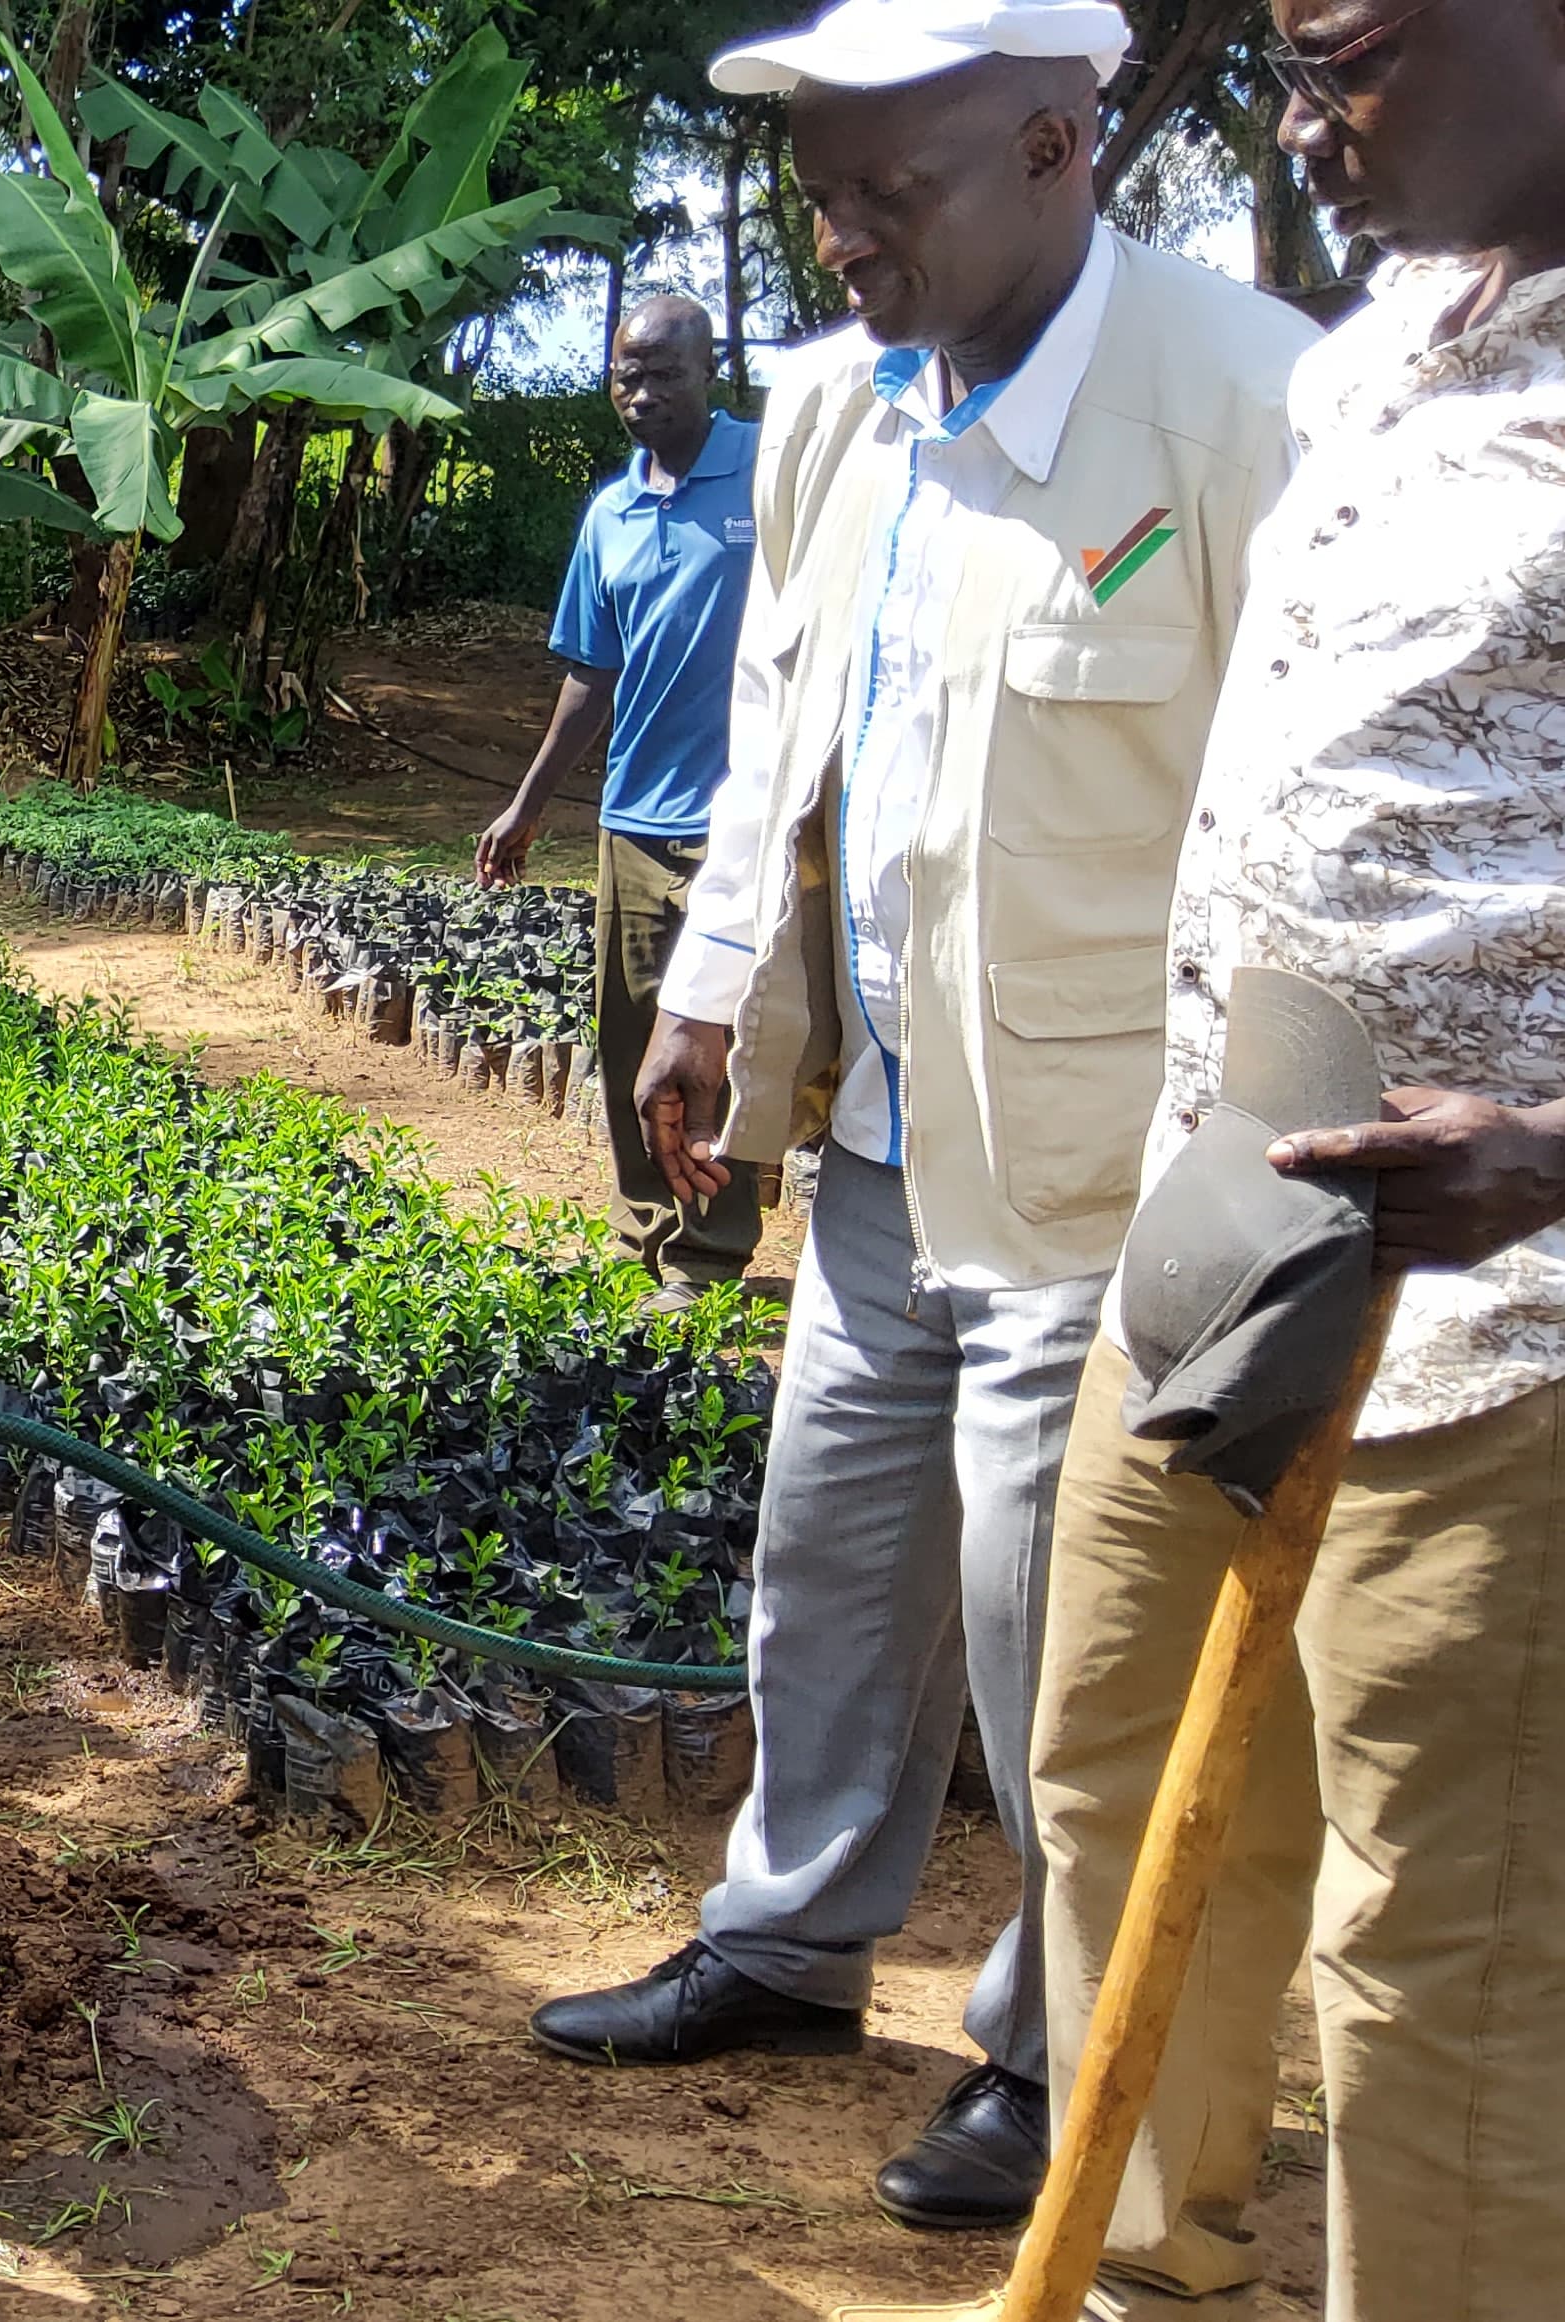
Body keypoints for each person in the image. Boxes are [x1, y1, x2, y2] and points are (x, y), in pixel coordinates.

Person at [526, 0, 1316, 2237]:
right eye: (820, 192)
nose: (841, 237)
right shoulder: (836, 413)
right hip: (880, 1129)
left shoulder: (1241, 405)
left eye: (894, 191)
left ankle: (1066, 2045)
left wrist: (1239, 1185)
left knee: (1050, 1639)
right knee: (828, 1565)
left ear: (1065, 145)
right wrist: (712, 1003)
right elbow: (789, 716)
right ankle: (784, 1939)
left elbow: (1299, 826)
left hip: (1105, 1174)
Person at [858, 4, 1565, 2316]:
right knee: (1109, 1777)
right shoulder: (1365, 355)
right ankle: (1131, 2260)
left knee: (1429, 1949)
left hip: (1498, 1328)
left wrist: (1552, 1149)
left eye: (1338, 58)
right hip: (1224, 1225)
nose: (1283, 123)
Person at [477, 292, 771, 1301]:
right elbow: (589, 676)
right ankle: (645, 1225)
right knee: (629, 1041)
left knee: (718, 1037)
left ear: (710, 370)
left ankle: (712, 1250)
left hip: (749, 822)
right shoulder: (609, 513)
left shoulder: (768, 477)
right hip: (635, 820)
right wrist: (528, 805)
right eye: (624, 377)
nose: (641, 395)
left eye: (664, 374)